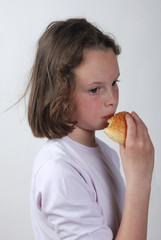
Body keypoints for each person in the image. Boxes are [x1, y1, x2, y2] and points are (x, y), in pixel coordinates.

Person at [25, 18, 154, 240]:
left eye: (114, 83)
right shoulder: (60, 170)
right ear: (60, 96)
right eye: (95, 89)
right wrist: (140, 181)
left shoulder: (106, 153)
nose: (112, 100)